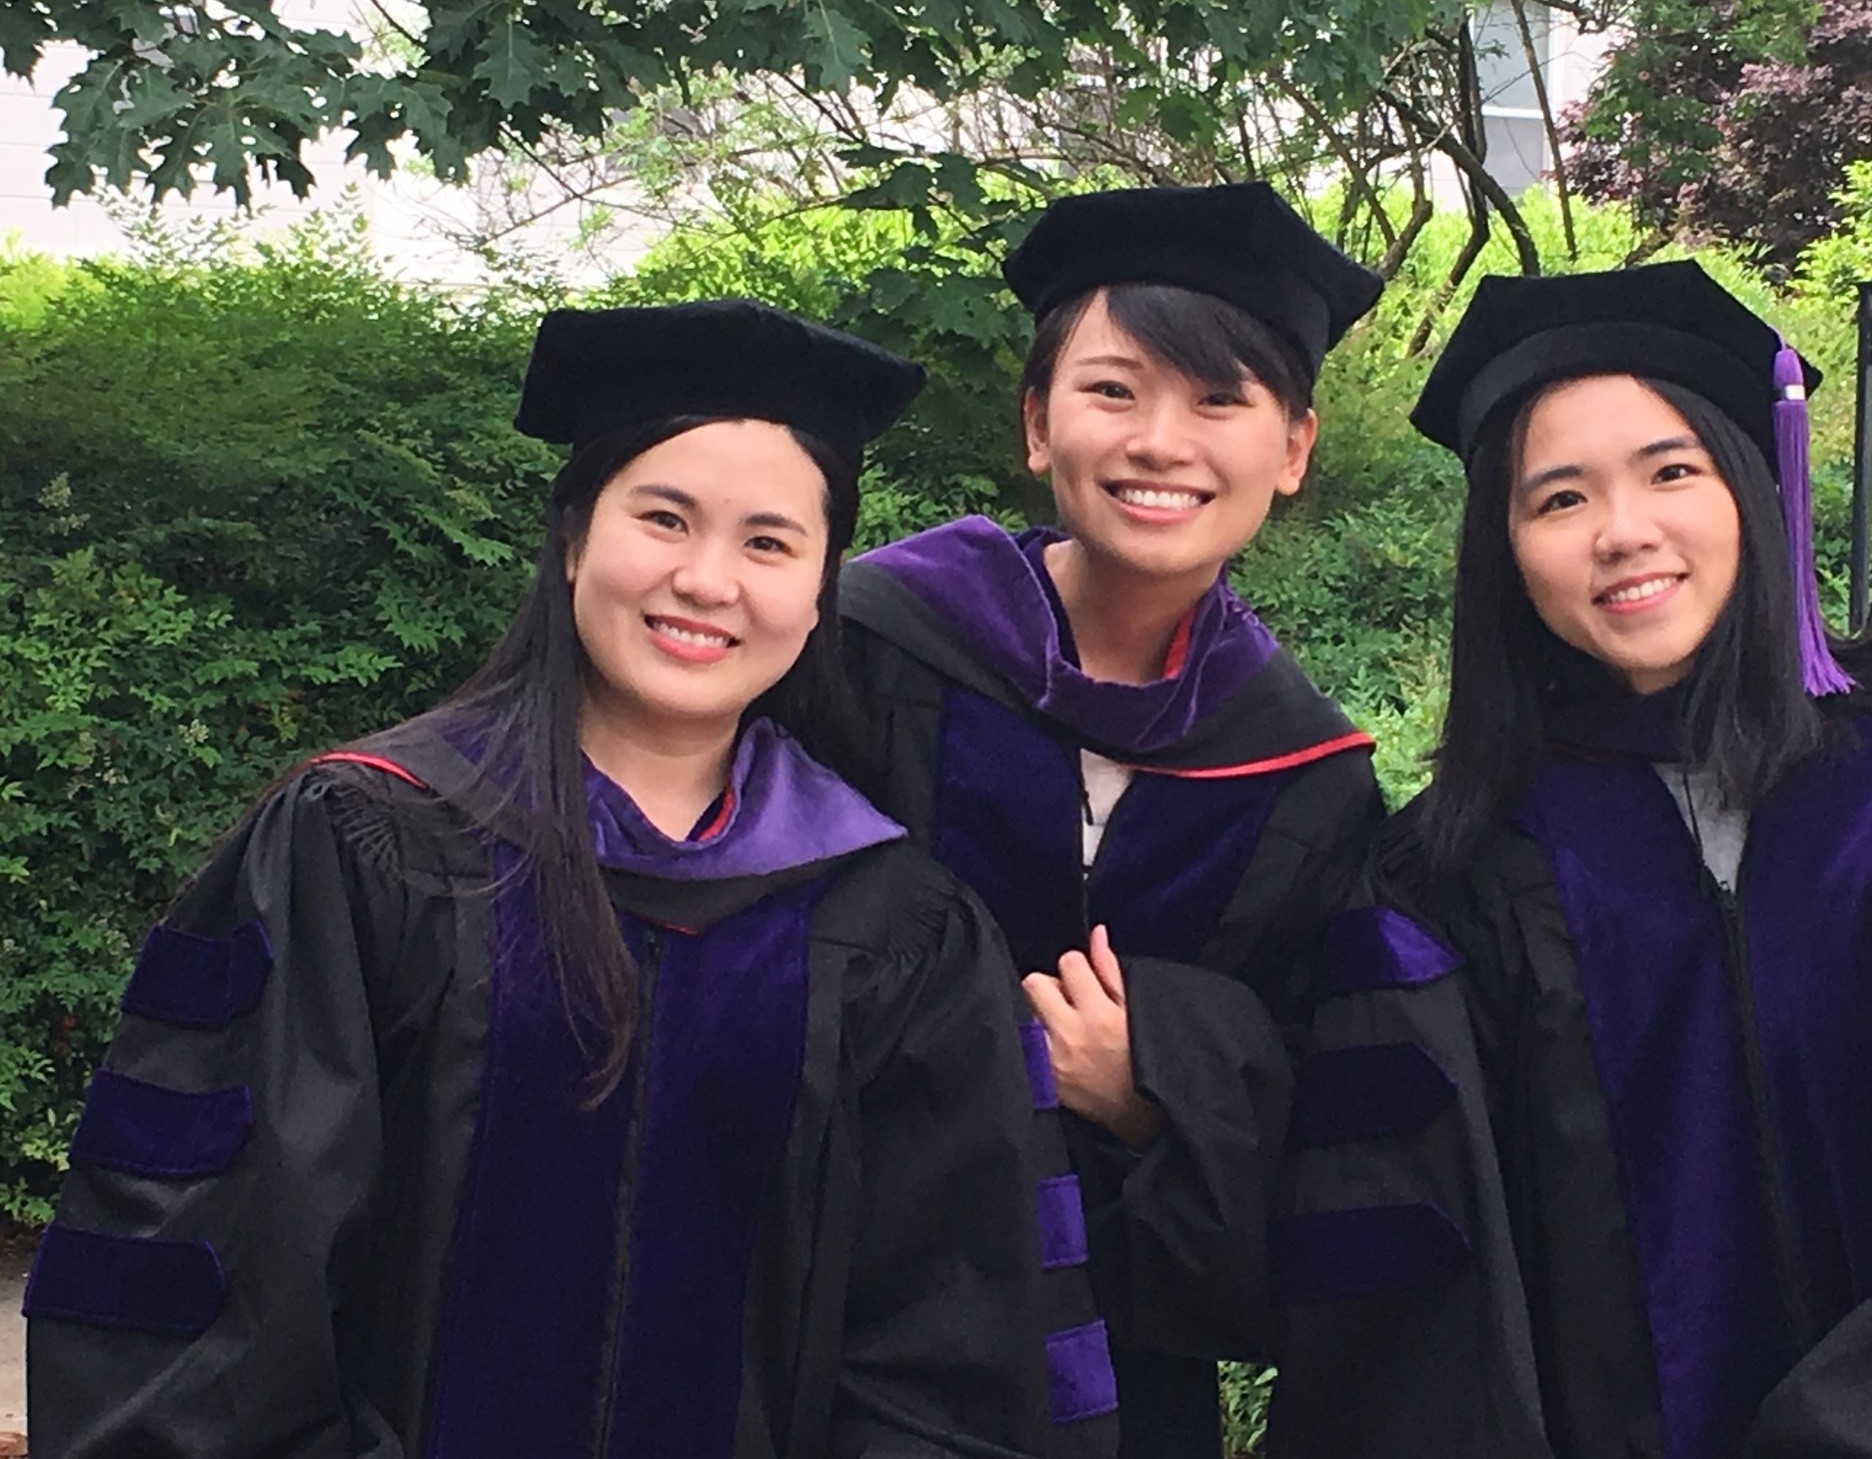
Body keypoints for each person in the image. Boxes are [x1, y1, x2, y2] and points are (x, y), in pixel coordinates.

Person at [27, 298, 1087, 1458]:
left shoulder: (892, 926)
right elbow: (213, 1283)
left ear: (822, 584)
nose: (707, 579)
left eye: (769, 542)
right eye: (664, 518)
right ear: (576, 537)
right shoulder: (364, 846)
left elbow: (954, 1348)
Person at [1267, 260, 1872, 1458]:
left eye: (1672, 471)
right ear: (1502, 550)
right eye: (1557, 499)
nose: (1622, 532)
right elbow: (1411, 1304)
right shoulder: (1443, 883)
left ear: (1758, 489)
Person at [839, 182, 1386, 1459]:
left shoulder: (1308, 770)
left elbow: (1330, 1095)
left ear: (1292, 450)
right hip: (835, 1304)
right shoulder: (864, 650)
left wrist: (1161, 1084)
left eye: (1218, 401)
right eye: (1112, 390)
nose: (1160, 441)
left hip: (1123, 1366)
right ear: (1037, 423)